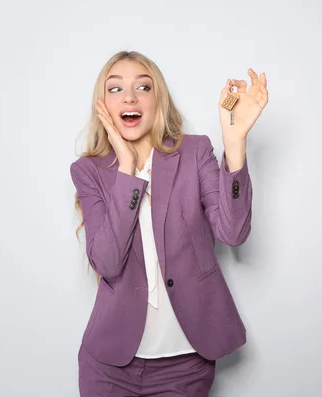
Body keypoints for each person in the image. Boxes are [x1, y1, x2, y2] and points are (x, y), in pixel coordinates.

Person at [70, 50, 268, 396]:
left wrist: (234, 143)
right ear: (102, 104)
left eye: (142, 87)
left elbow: (233, 233)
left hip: (185, 365)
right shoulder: (89, 172)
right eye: (116, 89)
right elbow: (107, 261)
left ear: (157, 99)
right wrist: (127, 168)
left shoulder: (193, 153)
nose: (129, 97)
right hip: (109, 365)